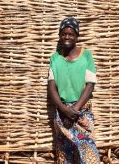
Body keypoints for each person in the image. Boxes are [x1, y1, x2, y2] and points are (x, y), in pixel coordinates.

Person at [48, 17, 100, 164]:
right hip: (62, 113)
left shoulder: (86, 56)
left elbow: (90, 85)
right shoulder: (55, 58)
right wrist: (64, 110)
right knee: (65, 156)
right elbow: (51, 87)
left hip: (81, 112)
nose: (67, 37)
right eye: (64, 34)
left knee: (89, 155)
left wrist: (74, 110)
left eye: (71, 34)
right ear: (59, 35)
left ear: (77, 36)